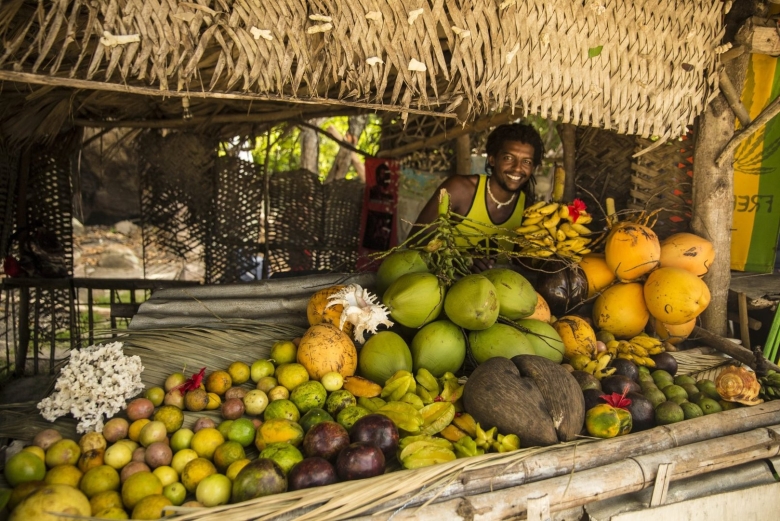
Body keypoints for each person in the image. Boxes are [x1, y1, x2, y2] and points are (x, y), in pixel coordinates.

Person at [414, 123, 544, 270]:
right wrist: (458, 259)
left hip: (494, 291)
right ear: (492, 159)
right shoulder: (460, 190)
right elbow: (415, 242)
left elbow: (521, 264)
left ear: (533, 168)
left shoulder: (528, 209)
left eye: (526, 161)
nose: (517, 168)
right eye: (508, 158)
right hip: (440, 286)